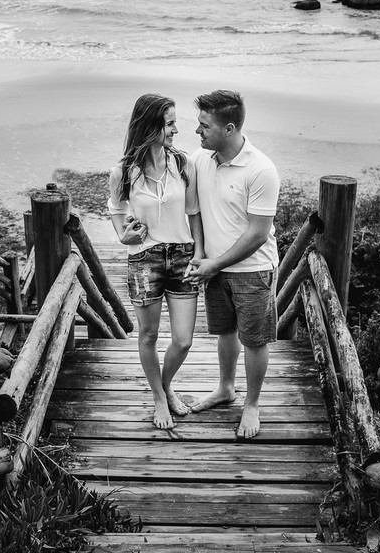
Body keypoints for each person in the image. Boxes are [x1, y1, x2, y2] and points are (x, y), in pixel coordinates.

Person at [184, 90, 280, 440]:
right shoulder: (200, 158)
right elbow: (194, 210)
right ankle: (226, 388)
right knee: (224, 333)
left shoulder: (261, 170)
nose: (197, 131)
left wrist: (214, 264)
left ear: (228, 129)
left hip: (253, 271)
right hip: (214, 267)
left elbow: (258, 234)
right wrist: (200, 253)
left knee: (254, 340)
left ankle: (251, 404)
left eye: (204, 125)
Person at [107, 94, 204, 430]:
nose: (176, 130)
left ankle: (165, 384)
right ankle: (161, 398)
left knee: (183, 340)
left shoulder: (183, 163)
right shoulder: (123, 171)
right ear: (150, 126)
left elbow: (194, 212)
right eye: (170, 124)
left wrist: (199, 254)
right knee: (148, 336)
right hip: (144, 258)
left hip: (182, 256)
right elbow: (117, 210)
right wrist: (124, 236)